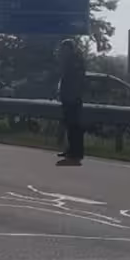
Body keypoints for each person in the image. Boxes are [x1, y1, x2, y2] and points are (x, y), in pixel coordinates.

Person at [55, 38, 86, 166]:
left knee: (75, 126)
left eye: (65, 48)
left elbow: (77, 80)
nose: (63, 51)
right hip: (67, 97)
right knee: (69, 125)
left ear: (70, 49)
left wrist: (74, 95)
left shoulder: (76, 61)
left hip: (73, 97)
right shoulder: (68, 61)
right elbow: (64, 79)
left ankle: (77, 152)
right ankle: (70, 150)